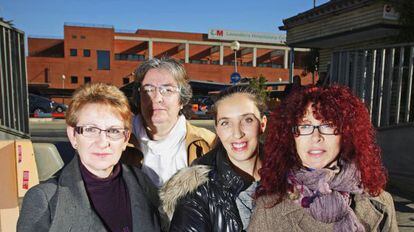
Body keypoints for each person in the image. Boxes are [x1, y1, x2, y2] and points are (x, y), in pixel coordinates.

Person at [249, 85, 398, 232]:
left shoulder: (380, 202)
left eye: (327, 125)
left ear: (345, 133)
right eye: (305, 126)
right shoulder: (269, 206)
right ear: (291, 137)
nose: (316, 137)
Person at [17, 83, 161, 232]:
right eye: (91, 129)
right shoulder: (44, 200)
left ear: (125, 139)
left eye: (113, 130)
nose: (103, 142)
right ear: (73, 135)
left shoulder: (142, 183)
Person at [160, 85, 268, 231]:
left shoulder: (291, 177)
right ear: (217, 129)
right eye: (225, 123)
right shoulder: (197, 192)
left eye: (247, 120)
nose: (237, 133)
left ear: (262, 124)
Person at [125, 57, 216, 188]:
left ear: (182, 100)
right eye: (148, 90)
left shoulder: (208, 144)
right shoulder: (118, 139)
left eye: (167, 90)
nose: (156, 98)